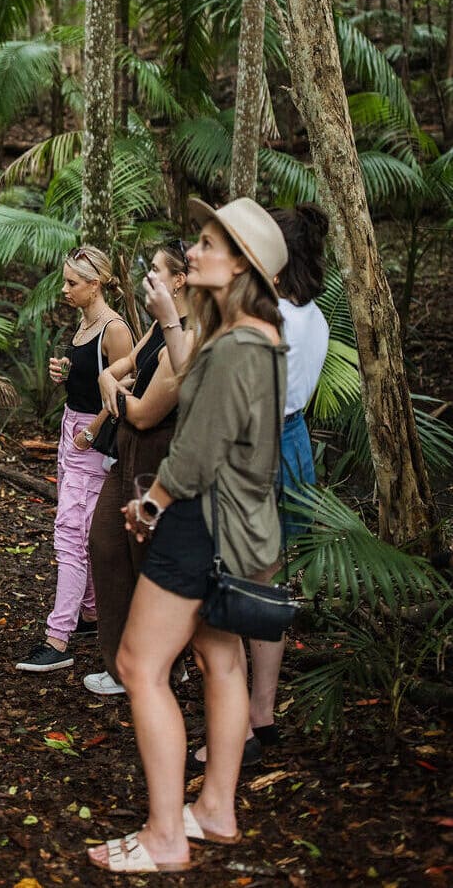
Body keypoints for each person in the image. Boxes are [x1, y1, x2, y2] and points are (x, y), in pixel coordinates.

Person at [87, 197, 288, 873]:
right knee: (219, 659)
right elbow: (200, 396)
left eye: (206, 244)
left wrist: (152, 502)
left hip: (198, 520)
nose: (192, 252)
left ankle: (165, 833)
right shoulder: (255, 337)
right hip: (235, 525)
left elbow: (197, 448)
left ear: (239, 266)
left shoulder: (236, 346)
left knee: (139, 665)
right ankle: (215, 809)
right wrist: (173, 322)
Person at [188, 202, 329, 766]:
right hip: (294, 444)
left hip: (255, 448)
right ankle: (261, 714)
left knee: (229, 589)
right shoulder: (312, 316)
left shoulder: (265, 321)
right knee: (266, 588)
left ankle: (235, 729)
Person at [16, 246, 133, 673]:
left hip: (91, 439)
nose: (64, 289)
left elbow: (129, 383)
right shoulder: (86, 322)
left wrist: (94, 429)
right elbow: (91, 377)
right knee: (77, 529)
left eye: (72, 283)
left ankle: (57, 638)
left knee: (70, 535)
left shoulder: (114, 328)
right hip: (71, 430)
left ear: (95, 284)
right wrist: (63, 372)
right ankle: (89, 615)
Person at [83, 241, 191, 696]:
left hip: (156, 456)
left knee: (148, 560)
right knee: (105, 544)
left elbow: (147, 412)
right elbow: (118, 370)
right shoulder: (155, 328)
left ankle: (166, 663)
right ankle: (122, 661)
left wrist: (116, 393)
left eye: (156, 270)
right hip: (125, 449)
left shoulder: (187, 336)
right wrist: (112, 380)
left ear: (180, 280)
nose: (148, 276)